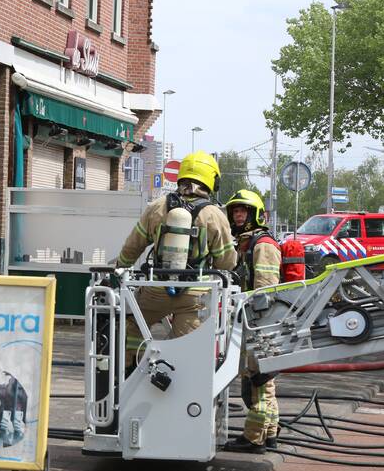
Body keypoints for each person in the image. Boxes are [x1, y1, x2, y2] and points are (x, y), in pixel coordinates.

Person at [114, 151, 238, 341]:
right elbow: (226, 260)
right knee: (186, 344)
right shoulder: (214, 214)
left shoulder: (157, 206)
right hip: (195, 295)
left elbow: (133, 246)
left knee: (131, 329)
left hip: (156, 289)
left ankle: (131, 364)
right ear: (211, 180)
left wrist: (119, 267)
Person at [221, 189, 281, 454]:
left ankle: (254, 438)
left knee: (258, 380)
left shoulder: (263, 244)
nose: (238, 215)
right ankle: (269, 433)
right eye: (235, 211)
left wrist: (258, 323)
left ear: (255, 214)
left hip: (259, 322)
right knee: (263, 381)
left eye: (243, 210)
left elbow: (266, 290)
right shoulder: (243, 242)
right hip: (248, 320)